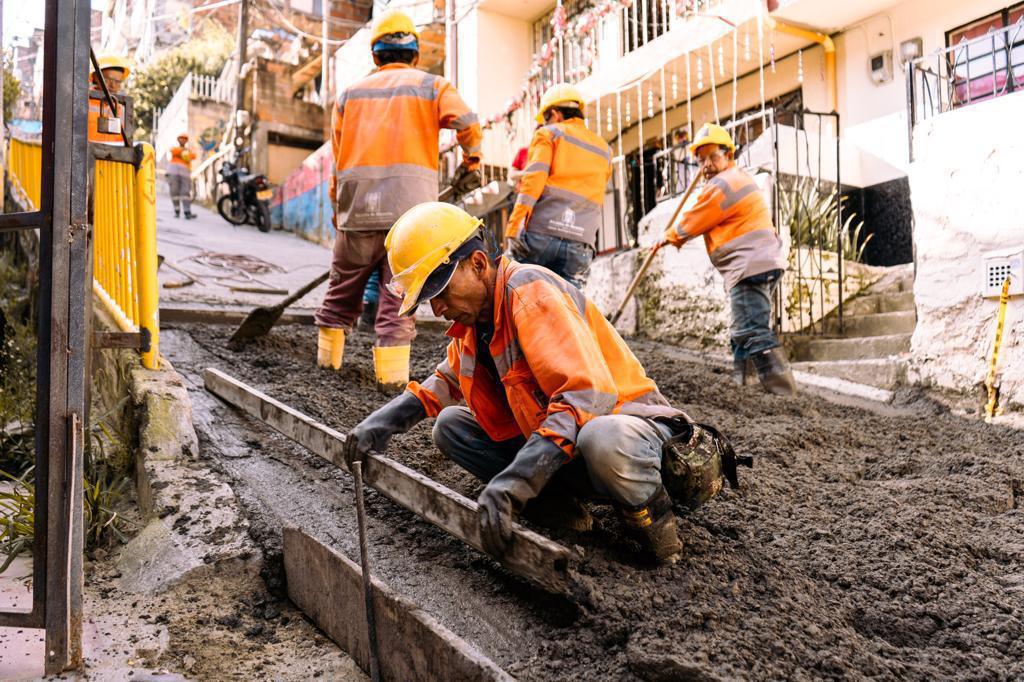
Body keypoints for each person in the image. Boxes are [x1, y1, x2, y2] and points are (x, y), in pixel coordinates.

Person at [345, 202, 705, 565]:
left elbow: (586, 397)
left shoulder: (530, 294)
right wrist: (381, 423)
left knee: (603, 437)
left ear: (478, 264)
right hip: (578, 451)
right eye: (429, 299)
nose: (437, 309)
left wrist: (512, 483)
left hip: (641, 442)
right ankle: (562, 510)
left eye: (441, 292)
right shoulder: (476, 322)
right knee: (450, 427)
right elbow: (444, 382)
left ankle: (659, 538)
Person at [315, 9, 483, 387]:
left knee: (340, 294)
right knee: (398, 302)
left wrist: (338, 210)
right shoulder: (433, 86)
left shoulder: (349, 96)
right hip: (411, 220)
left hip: (357, 212)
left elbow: (337, 162)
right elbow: (469, 124)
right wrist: (472, 158)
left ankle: (326, 368)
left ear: (375, 56)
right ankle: (391, 384)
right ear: (415, 54)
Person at [662, 123, 795, 395]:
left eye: (713, 157)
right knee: (741, 331)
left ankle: (785, 394)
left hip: (749, 266)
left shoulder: (722, 184)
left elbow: (695, 219)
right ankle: (744, 387)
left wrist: (668, 237)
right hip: (759, 262)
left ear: (729, 155)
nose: (707, 165)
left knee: (752, 331)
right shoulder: (736, 178)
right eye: (701, 160)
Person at [503, 84, 611, 288]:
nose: (544, 124)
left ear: (555, 114)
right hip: (581, 243)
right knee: (568, 304)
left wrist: (514, 226)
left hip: (542, 234)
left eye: (546, 119)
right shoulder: (604, 149)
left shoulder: (549, 134)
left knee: (515, 293)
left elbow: (533, 181)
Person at [88, 54, 130, 144]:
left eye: (117, 81)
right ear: (96, 77)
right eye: (108, 79)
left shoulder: (122, 110)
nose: (113, 85)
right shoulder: (83, 103)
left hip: (112, 152)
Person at [167, 134, 196, 220]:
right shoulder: (175, 148)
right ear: (178, 140)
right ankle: (177, 210)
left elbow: (193, 156)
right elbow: (173, 151)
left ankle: (187, 211)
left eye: (184, 139)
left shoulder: (189, 150)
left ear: (186, 141)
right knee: (174, 191)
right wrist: (183, 152)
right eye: (181, 139)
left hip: (185, 172)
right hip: (173, 171)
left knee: (186, 192)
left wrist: (185, 154)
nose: (183, 140)